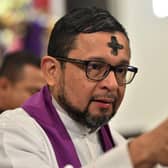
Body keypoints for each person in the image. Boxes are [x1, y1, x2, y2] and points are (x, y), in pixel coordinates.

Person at [0, 7, 167, 168]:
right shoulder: (12, 133)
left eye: (121, 70)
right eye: (94, 67)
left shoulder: (114, 142)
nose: (112, 84)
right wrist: (140, 152)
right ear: (52, 71)